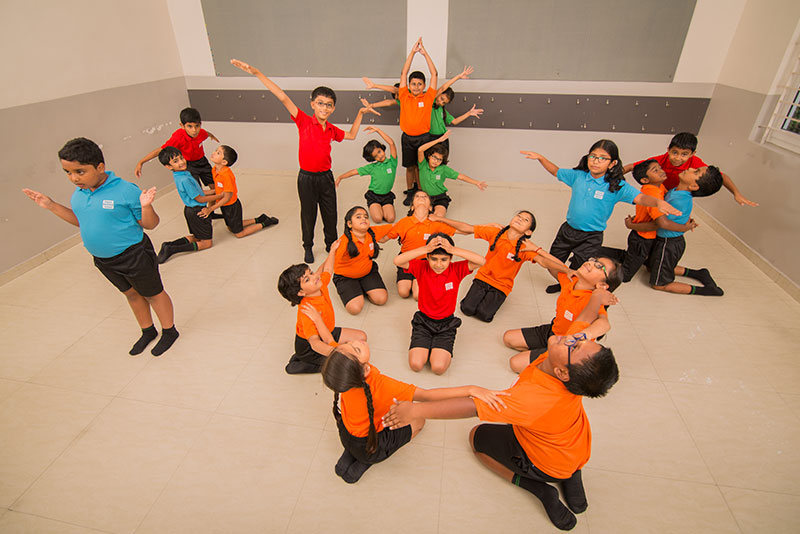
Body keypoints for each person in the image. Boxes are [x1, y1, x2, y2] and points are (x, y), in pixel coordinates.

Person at [382, 290, 620, 531]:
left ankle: (541, 488)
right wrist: (597, 297)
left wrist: (416, 411)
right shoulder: (565, 358)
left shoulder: (532, 400)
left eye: (577, 344)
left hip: (545, 463)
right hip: (574, 450)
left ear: (563, 374)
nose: (574, 337)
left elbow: (471, 406)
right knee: (559, 458)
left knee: (477, 438)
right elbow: (586, 317)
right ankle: (571, 476)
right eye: (581, 339)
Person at [23, 137, 179, 356]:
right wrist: (51, 206)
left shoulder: (125, 190)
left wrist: (146, 207)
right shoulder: (79, 194)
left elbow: (151, 224)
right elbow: (81, 221)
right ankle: (148, 331)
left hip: (134, 254)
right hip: (104, 260)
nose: (73, 178)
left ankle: (169, 331)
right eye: (67, 172)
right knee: (132, 294)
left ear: (100, 167)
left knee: (153, 293)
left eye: (80, 171)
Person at [230, 58, 378, 264]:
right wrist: (256, 72)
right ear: (312, 104)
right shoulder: (303, 120)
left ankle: (330, 245)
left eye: (328, 105)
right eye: (320, 104)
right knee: (308, 215)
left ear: (333, 108)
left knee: (330, 215)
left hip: (326, 178)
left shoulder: (332, 129)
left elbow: (352, 135)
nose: (324, 108)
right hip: (306, 178)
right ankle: (307, 246)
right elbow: (282, 97)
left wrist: (361, 113)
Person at [321, 339, 507, 483]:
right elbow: (427, 396)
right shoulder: (381, 385)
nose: (355, 341)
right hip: (370, 446)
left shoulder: (343, 375)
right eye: (356, 349)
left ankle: (349, 456)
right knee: (420, 420)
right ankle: (365, 461)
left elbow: (335, 349)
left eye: (347, 343)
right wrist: (471, 389)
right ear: (365, 371)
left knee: (357, 442)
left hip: (346, 435)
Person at [521, 139, 680, 294]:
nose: (596, 161)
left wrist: (658, 203)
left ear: (612, 164)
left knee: (579, 267)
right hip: (568, 230)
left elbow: (640, 198)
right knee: (553, 262)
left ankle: (570, 287)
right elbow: (556, 171)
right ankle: (563, 283)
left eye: (603, 158)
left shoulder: (617, 186)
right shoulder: (578, 176)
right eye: (593, 156)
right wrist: (541, 158)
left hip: (591, 236)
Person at [429, 211, 569, 322]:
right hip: (483, 277)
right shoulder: (495, 233)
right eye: (518, 216)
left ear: (528, 232)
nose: (519, 219)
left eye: (525, 220)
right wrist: (440, 219)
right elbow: (468, 228)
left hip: (502, 286)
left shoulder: (526, 247)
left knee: (484, 315)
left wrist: (540, 251)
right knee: (466, 309)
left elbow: (546, 262)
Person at [503, 257, 622, 373]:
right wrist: (535, 250)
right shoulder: (571, 280)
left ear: (602, 285)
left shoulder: (593, 302)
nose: (591, 263)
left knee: (515, 363)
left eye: (599, 266)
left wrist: (580, 336)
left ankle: (554, 361)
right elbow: (550, 264)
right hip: (553, 331)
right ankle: (545, 351)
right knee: (508, 338)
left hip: (565, 347)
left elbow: (604, 324)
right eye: (593, 260)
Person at [393, 234, 485, 375]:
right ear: (427, 257)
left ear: (450, 258)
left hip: (446, 325)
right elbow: (398, 260)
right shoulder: (421, 267)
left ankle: (437, 346)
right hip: (423, 322)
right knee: (416, 365)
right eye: (434, 259)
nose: (438, 264)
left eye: (444, 259)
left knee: (438, 368)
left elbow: (481, 261)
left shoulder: (456, 270)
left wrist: (452, 249)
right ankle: (425, 344)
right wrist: (426, 248)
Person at [277, 239, 367, 374]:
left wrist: (333, 250)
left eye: (311, 273)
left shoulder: (319, 285)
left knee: (361, 337)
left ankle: (309, 357)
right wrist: (338, 352)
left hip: (327, 331)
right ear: (301, 292)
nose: (314, 277)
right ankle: (302, 362)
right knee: (341, 364)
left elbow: (328, 269)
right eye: (307, 279)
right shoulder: (307, 311)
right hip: (310, 349)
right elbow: (314, 343)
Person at [598, 160, 698, 282]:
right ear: (645, 180)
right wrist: (685, 227)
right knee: (626, 275)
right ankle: (595, 252)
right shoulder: (652, 192)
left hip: (643, 236)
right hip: (642, 238)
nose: (661, 171)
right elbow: (657, 224)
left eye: (660, 168)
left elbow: (671, 204)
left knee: (633, 256)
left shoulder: (659, 187)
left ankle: (596, 250)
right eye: (655, 170)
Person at [363, 67, 483, 153]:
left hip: (439, 137)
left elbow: (454, 120)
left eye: (444, 102)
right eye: (441, 99)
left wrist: (469, 113)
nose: (441, 102)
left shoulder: (434, 104)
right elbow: (391, 99)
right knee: (422, 163)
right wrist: (372, 102)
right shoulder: (424, 101)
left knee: (437, 163)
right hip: (428, 137)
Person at [180, 145, 278, 249]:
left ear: (224, 162)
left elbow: (226, 197)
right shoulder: (214, 170)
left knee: (239, 234)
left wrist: (211, 209)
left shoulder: (226, 175)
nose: (214, 152)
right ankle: (258, 219)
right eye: (216, 150)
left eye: (218, 153)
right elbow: (217, 190)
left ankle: (266, 222)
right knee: (231, 228)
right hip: (224, 205)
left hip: (231, 206)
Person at [624, 132, 757, 207]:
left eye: (684, 154)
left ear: (692, 154)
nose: (678, 158)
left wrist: (736, 193)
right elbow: (631, 166)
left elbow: (721, 177)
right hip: (660, 194)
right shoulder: (661, 160)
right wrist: (607, 176)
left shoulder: (695, 164)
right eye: (674, 152)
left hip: (675, 197)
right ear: (668, 150)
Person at [649, 166, 725, 296]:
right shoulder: (677, 192)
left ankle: (707, 290)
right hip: (668, 241)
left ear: (694, 186)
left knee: (659, 284)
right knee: (653, 267)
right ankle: (697, 273)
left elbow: (664, 223)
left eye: (696, 172)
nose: (690, 168)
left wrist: (686, 227)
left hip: (669, 244)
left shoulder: (680, 200)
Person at [153, 147, 225, 263]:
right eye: (176, 161)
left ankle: (169, 245)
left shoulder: (182, 174)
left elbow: (199, 192)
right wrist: (220, 196)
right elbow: (200, 198)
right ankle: (173, 249)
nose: (181, 162)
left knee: (197, 237)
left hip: (190, 210)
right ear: (169, 166)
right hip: (198, 210)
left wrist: (214, 191)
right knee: (206, 243)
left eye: (181, 158)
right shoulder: (185, 179)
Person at [385, 190, 459, 299]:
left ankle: (427, 278)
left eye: (425, 197)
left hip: (425, 263)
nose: (421, 198)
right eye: (417, 196)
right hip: (406, 260)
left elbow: (463, 230)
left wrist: (480, 229)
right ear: (412, 207)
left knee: (417, 295)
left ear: (430, 208)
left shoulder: (436, 224)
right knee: (403, 293)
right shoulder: (404, 222)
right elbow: (383, 238)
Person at [396, 38, 440, 206]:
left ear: (424, 86)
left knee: (422, 167)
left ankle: (421, 193)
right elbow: (403, 73)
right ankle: (410, 191)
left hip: (424, 138)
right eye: (413, 84)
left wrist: (424, 54)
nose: (415, 87)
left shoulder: (428, 97)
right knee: (410, 167)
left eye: (419, 84)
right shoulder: (404, 95)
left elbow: (434, 74)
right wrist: (412, 53)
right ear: (409, 85)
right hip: (408, 137)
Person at [134, 107, 219, 187]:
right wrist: (141, 162)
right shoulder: (178, 138)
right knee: (196, 189)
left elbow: (206, 133)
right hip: (188, 164)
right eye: (190, 126)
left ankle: (213, 203)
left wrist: (212, 136)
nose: (194, 130)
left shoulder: (201, 133)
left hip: (202, 161)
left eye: (197, 126)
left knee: (214, 185)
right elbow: (160, 150)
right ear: (182, 125)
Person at [332, 206, 393, 315]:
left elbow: (394, 227)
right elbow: (329, 262)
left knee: (381, 299)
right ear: (349, 224)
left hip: (367, 272)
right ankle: (357, 290)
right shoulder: (343, 242)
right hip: (346, 278)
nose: (363, 219)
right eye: (358, 217)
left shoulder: (372, 233)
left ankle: (363, 287)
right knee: (355, 309)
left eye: (366, 216)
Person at [335, 126, 399, 223]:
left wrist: (378, 130)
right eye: (376, 156)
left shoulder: (392, 162)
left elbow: (391, 143)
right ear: (373, 159)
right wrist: (340, 177)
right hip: (374, 196)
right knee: (378, 219)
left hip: (387, 196)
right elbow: (354, 172)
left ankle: (383, 207)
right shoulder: (372, 167)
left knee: (390, 219)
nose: (380, 155)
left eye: (379, 151)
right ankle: (373, 206)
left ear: (382, 148)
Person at [417, 131, 488, 216]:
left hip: (440, 197)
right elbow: (420, 149)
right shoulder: (423, 165)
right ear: (429, 156)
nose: (436, 161)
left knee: (438, 216)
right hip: (425, 197)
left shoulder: (443, 169)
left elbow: (460, 176)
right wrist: (438, 140)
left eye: (439, 159)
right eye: (434, 157)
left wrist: (476, 182)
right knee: (421, 215)